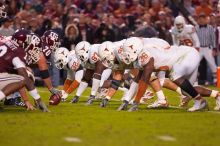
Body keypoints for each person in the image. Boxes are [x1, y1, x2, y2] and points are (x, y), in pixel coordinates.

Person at [196, 13, 217, 84]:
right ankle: (194, 79)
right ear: (198, 20)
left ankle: (216, 79)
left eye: (203, 19)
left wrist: (214, 49)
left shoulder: (210, 27)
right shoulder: (195, 28)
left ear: (206, 20)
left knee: (212, 64)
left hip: (207, 48)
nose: (201, 21)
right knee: (195, 63)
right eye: (200, 19)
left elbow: (213, 39)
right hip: (199, 49)